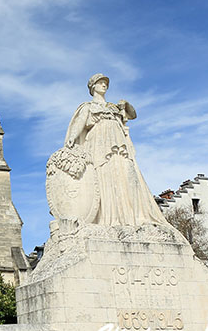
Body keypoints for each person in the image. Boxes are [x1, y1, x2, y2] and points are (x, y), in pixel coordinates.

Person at [62, 73, 166, 226]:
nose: (104, 85)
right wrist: (71, 137)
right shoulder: (88, 107)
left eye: (105, 83)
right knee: (105, 176)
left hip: (118, 142)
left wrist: (125, 105)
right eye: (100, 83)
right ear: (93, 87)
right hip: (99, 143)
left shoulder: (113, 107)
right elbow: (80, 123)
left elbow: (133, 114)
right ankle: (109, 219)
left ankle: (132, 217)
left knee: (125, 175)